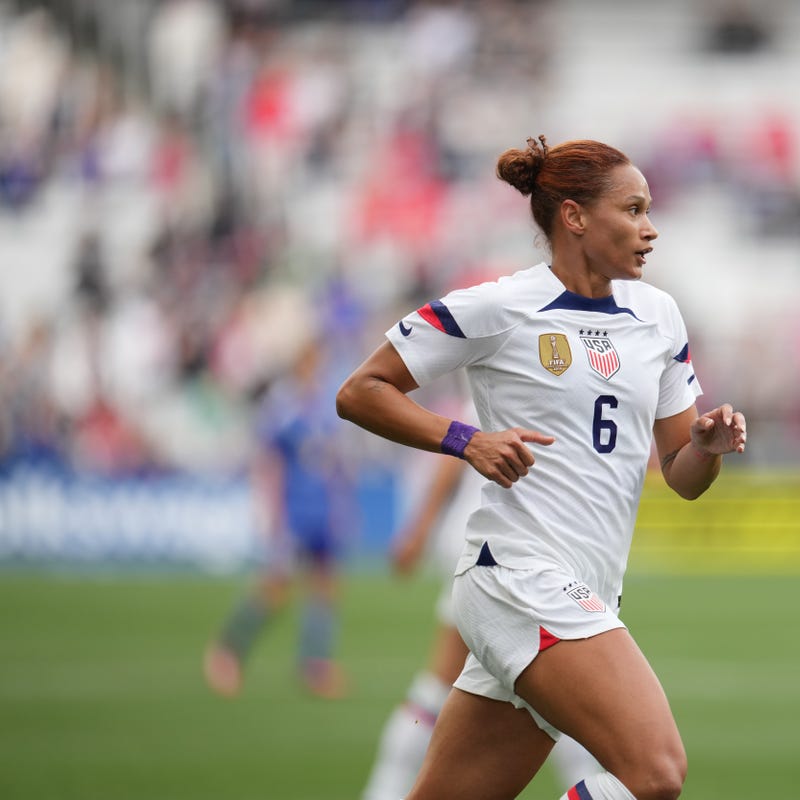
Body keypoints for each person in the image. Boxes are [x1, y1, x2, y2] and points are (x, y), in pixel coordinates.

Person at [336, 135, 747, 800]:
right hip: (520, 576)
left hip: (583, 587)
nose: (650, 229)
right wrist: (466, 439)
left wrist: (705, 445)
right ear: (576, 217)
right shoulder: (500, 306)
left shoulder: (659, 317)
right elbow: (360, 392)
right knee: (656, 773)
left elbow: (682, 475)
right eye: (634, 210)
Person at [362, 396, 601, 800]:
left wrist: (419, 531)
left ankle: (382, 792)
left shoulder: (522, 377)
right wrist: (418, 530)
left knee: (448, 688)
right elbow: (452, 457)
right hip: (502, 549)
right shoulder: (532, 381)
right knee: (560, 694)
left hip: (491, 543)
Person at [204, 337, 354, 699]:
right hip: (293, 510)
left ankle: (314, 665)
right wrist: (270, 511)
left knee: (324, 586)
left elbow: (333, 463)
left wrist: (341, 504)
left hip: (321, 509)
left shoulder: (324, 405)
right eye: (310, 361)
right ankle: (227, 650)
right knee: (276, 587)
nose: (316, 368)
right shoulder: (282, 406)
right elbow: (268, 461)